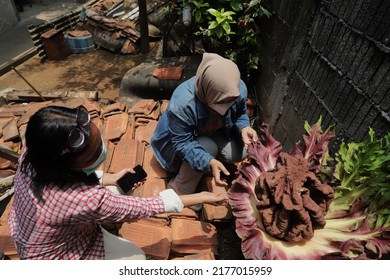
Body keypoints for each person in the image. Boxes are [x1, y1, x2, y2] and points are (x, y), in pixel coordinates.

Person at [7, 105, 227, 260]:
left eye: (99, 141)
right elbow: (146, 207)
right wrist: (203, 197)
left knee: (115, 188)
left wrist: (110, 177)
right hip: (56, 258)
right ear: (65, 165)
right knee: (136, 259)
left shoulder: (34, 155)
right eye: (93, 155)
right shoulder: (85, 199)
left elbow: (71, 180)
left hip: (32, 230)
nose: (102, 150)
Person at [151, 53, 258, 198]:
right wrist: (208, 160)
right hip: (176, 145)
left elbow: (240, 114)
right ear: (208, 92)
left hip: (212, 130)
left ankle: (208, 162)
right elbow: (182, 143)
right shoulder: (183, 104)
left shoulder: (237, 90)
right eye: (221, 101)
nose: (227, 105)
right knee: (208, 148)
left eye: (231, 100)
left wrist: (244, 127)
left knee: (240, 152)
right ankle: (180, 188)